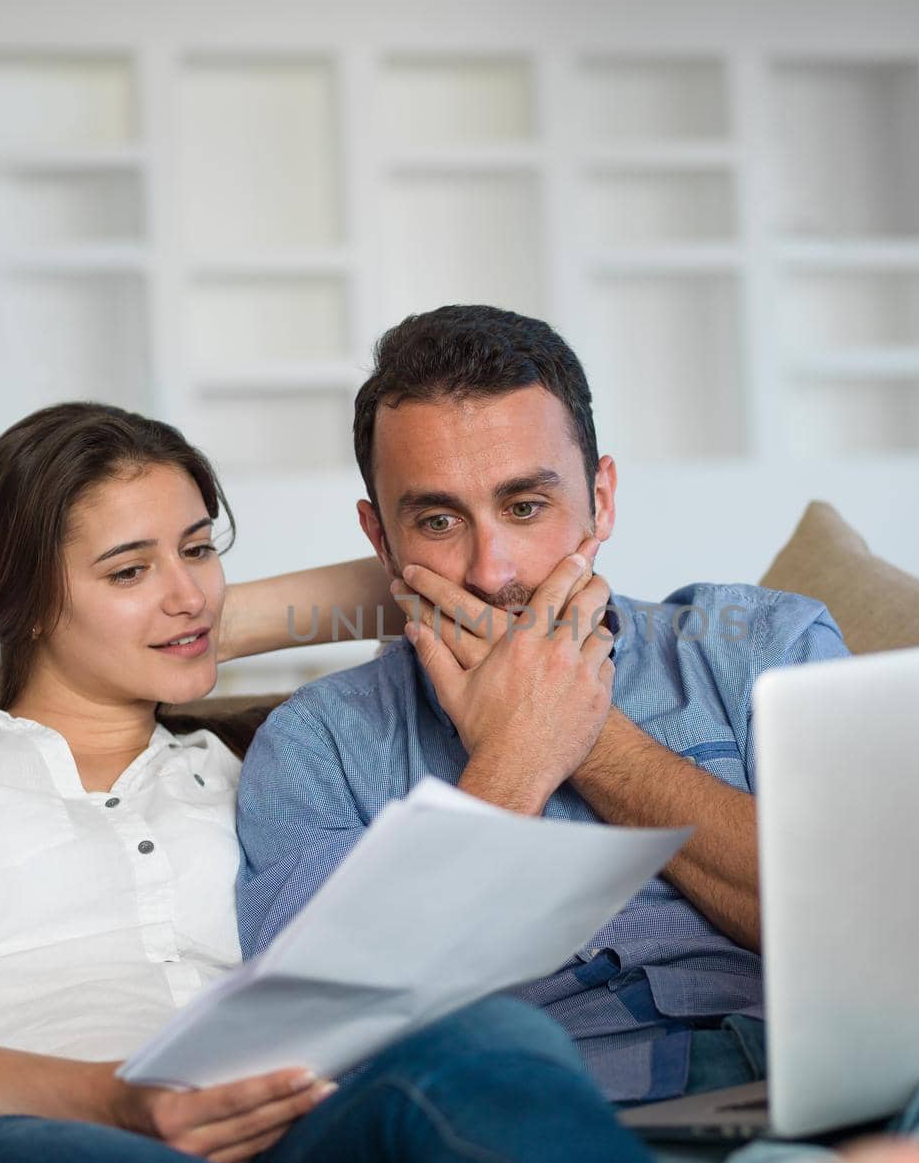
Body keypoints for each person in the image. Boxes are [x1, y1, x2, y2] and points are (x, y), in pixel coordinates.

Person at [0, 397, 919, 1163]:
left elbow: (462, 570)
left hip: (277, 1136)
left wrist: (171, 614)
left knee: (490, 1038)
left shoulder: (240, 775)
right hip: (6, 1154)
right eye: (126, 567)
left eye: (202, 549)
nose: (188, 592)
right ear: (19, 592)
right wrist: (111, 1102)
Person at [237, 303, 848, 1105]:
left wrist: (589, 738)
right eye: (437, 520)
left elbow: (866, 928)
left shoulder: (762, 646)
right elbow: (310, 1045)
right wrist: (514, 762)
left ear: (601, 499)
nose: (492, 572)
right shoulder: (317, 744)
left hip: (827, 1073)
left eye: (526, 507)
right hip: (567, 1115)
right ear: (381, 540)